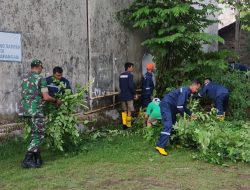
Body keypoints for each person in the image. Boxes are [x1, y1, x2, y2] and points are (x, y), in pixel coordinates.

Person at [19, 59, 61, 169]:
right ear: (38, 66)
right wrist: (56, 101)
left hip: (25, 109)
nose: (42, 69)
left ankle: (37, 158)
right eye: (42, 67)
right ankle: (27, 159)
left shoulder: (24, 78)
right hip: (35, 110)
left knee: (34, 133)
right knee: (39, 135)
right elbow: (46, 97)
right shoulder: (40, 79)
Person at [155, 80, 201, 156]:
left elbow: (183, 106)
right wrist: (185, 117)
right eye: (197, 88)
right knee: (168, 125)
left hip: (171, 107)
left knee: (174, 124)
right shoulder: (184, 91)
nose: (197, 90)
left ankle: (172, 143)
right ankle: (160, 146)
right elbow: (179, 106)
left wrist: (191, 114)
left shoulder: (188, 92)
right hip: (166, 105)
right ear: (194, 85)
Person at [119, 62, 138, 129]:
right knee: (129, 110)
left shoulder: (121, 75)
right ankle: (129, 125)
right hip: (129, 95)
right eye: (132, 67)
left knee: (124, 110)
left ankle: (124, 125)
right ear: (129, 67)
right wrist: (135, 94)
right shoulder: (130, 75)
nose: (132, 69)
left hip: (122, 95)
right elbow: (131, 86)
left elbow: (120, 86)